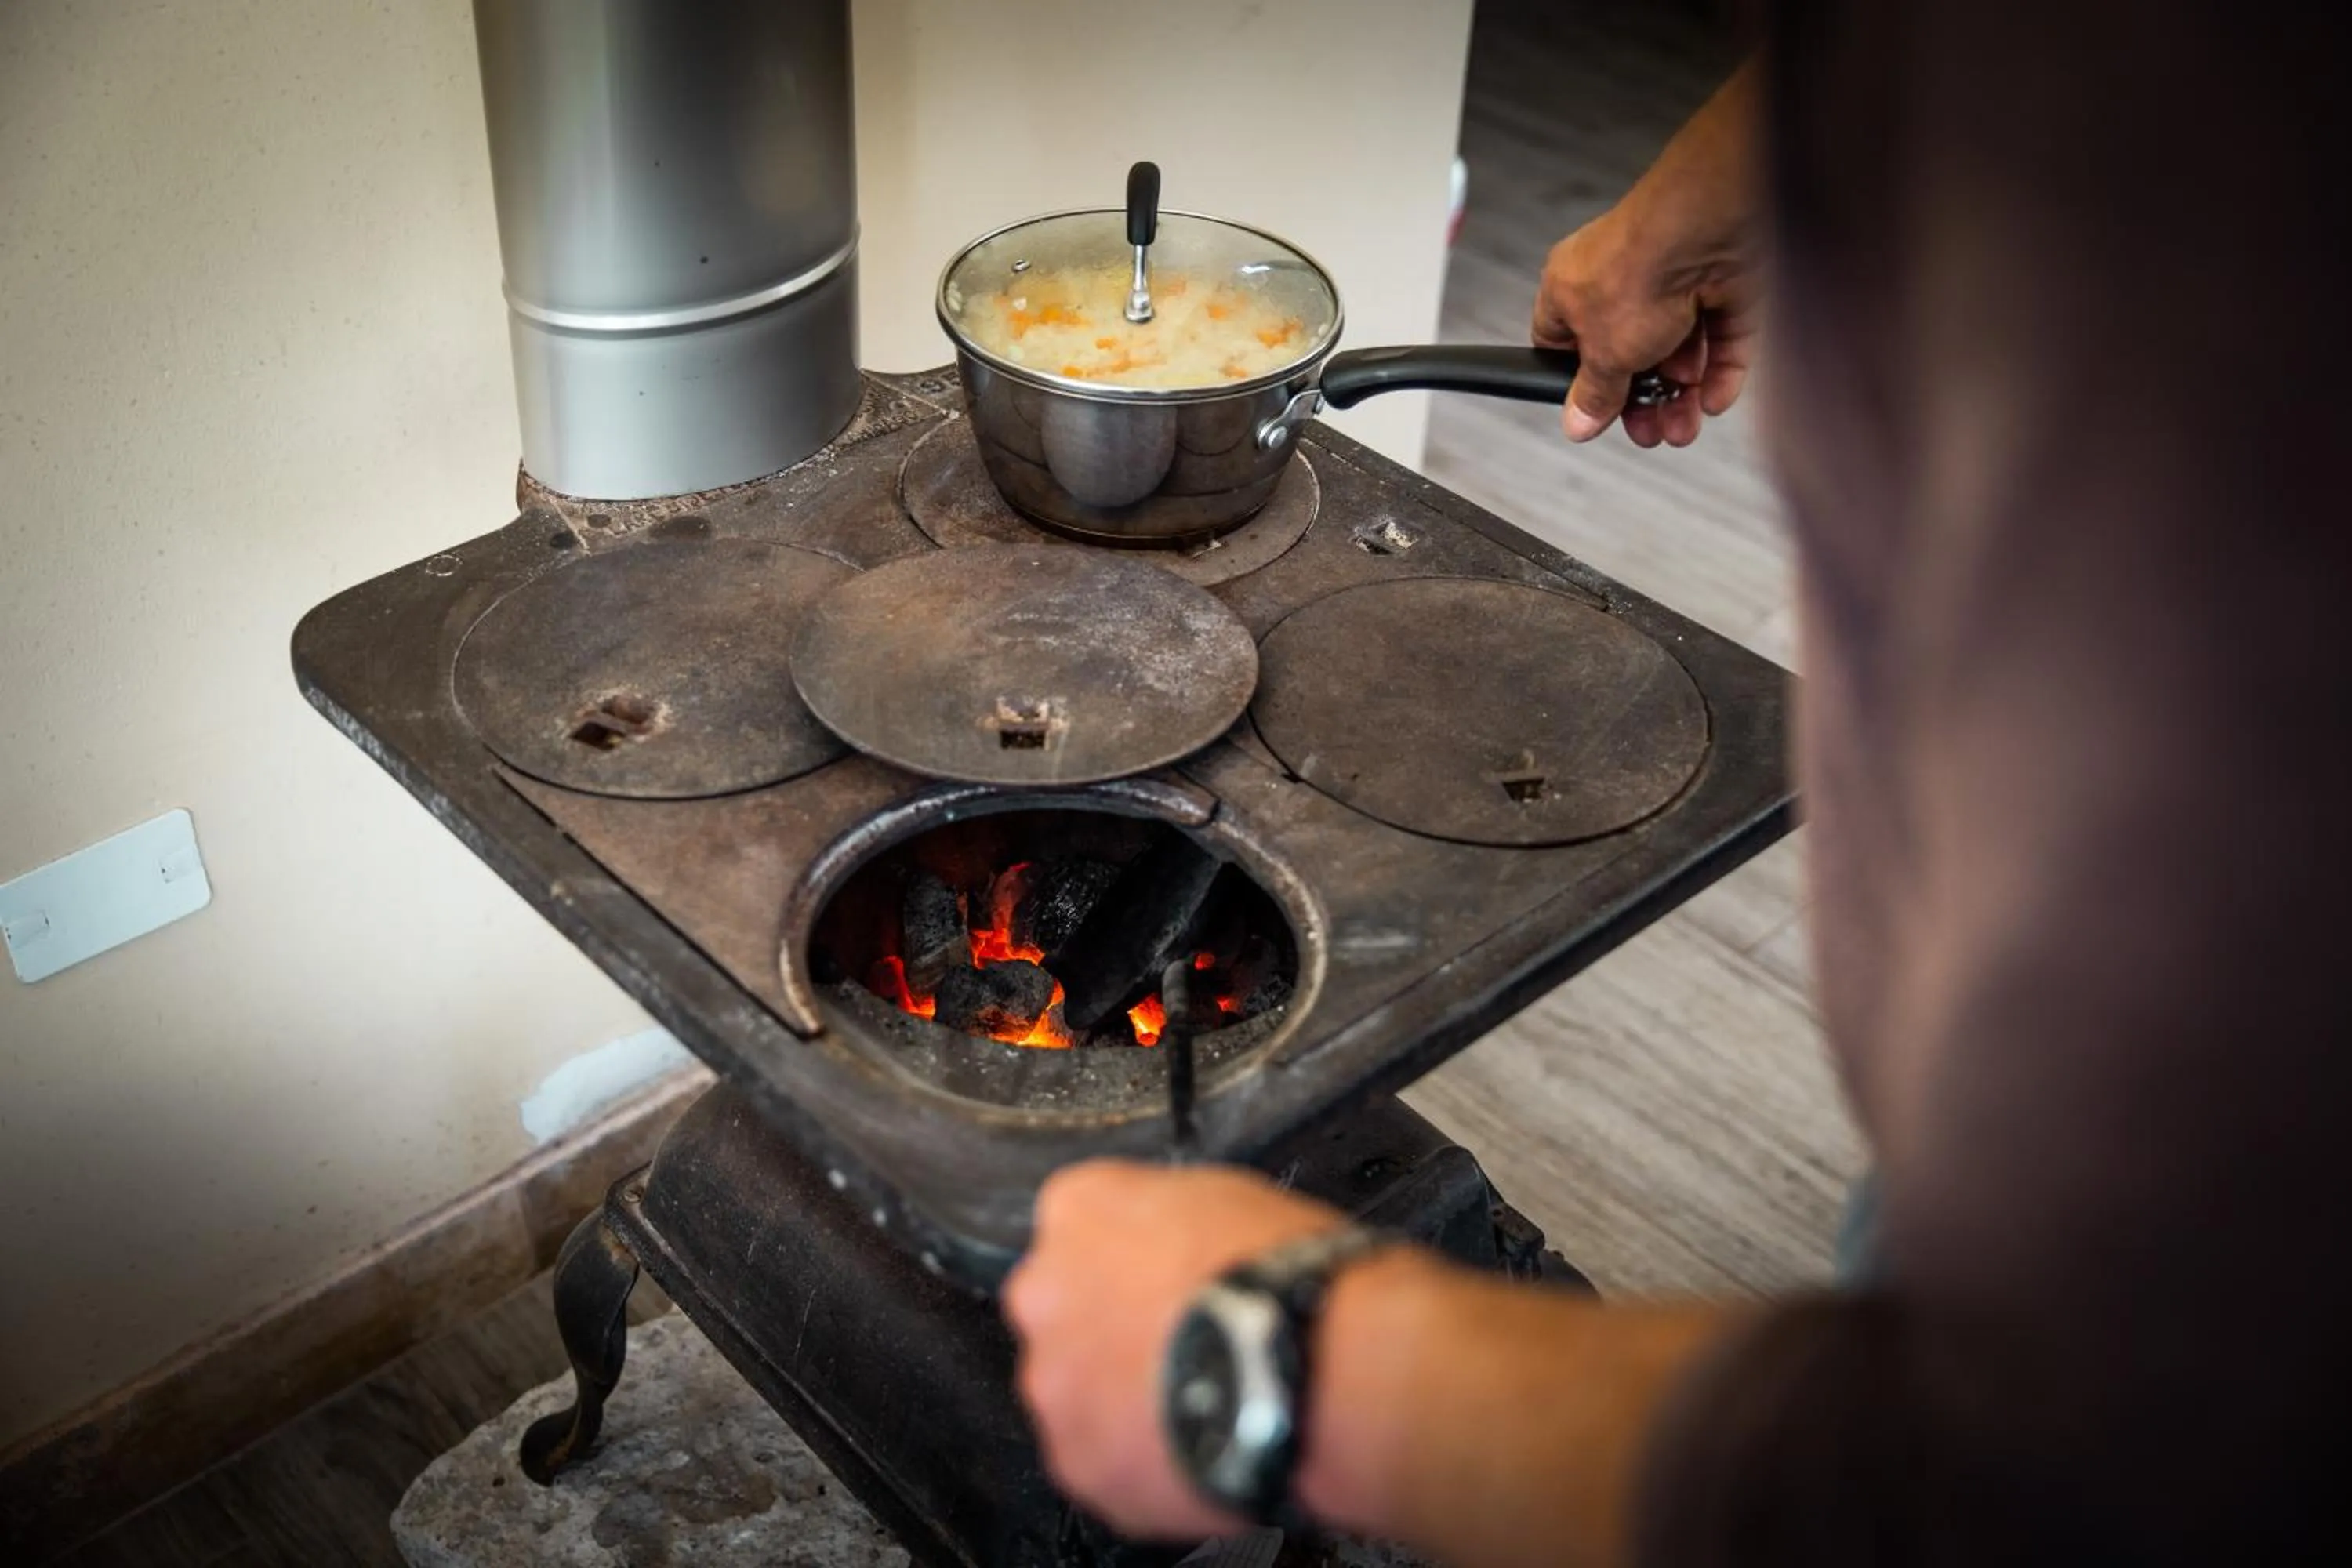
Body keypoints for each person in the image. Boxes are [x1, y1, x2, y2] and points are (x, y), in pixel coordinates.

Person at [1004, 4, 2349, 1562]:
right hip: (1965, 1148)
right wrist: (1753, 158)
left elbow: (2121, 1449)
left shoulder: (2265, 297)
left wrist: (1296, 1372)